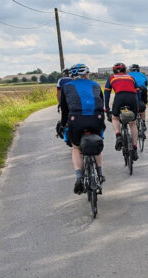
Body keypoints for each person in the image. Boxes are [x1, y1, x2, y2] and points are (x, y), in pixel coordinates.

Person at [60, 63, 106, 194]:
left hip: (76, 119)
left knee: (76, 147)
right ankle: (100, 173)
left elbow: (64, 109)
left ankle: (79, 177)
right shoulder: (95, 85)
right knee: (97, 143)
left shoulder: (66, 86)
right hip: (96, 118)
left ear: (72, 76)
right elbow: (101, 104)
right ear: (86, 74)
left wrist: (64, 125)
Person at [104, 62, 140, 160]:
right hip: (132, 98)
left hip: (120, 97)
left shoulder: (111, 78)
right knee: (133, 123)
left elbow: (107, 93)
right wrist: (138, 106)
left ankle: (118, 135)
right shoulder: (130, 77)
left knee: (115, 117)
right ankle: (135, 148)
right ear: (125, 70)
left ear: (114, 71)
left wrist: (106, 108)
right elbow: (137, 91)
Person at [128, 64, 148, 132]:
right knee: (143, 105)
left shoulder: (128, 74)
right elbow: (146, 83)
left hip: (133, 90)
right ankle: (143, 123)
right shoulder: (142, 74)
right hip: (143, 90)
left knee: (131, 105)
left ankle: (133, 119)